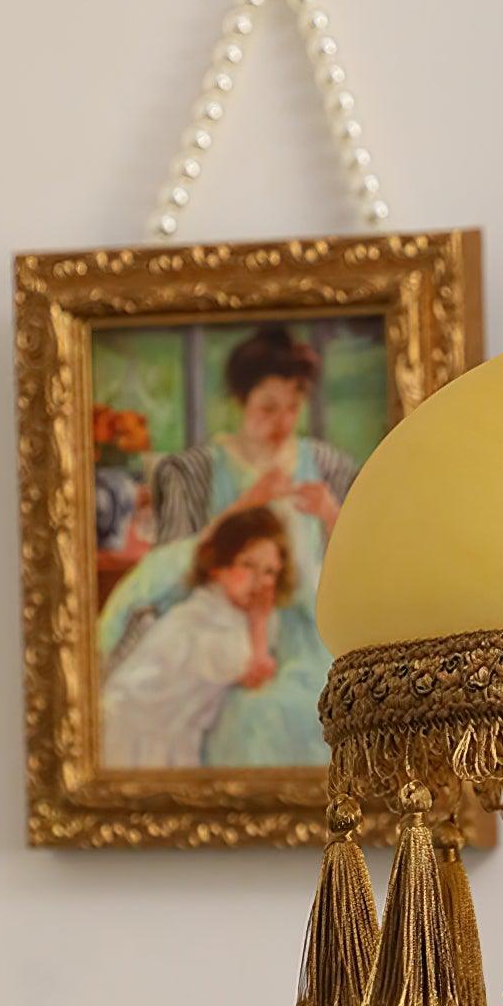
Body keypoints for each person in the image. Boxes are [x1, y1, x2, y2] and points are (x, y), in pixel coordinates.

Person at [97, 324, 359, 767]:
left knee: (298, 711)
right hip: (226, 625)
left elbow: (357, 566)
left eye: (292, 408)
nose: (281, 423)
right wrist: (244, 505)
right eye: (267, 408)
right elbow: (179, 566)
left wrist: (332, 515)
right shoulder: (196, 471)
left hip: (309, 632)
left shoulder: (325, 465)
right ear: (240, 402)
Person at [102, 508, 292, 768]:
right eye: (247, 565)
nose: (259, 581)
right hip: (133, 730)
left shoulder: (237, 615)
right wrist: (259, 622)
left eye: (270, 571)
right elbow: (255, 673)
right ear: (217, 566)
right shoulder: (202, 618)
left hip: (172, 735)